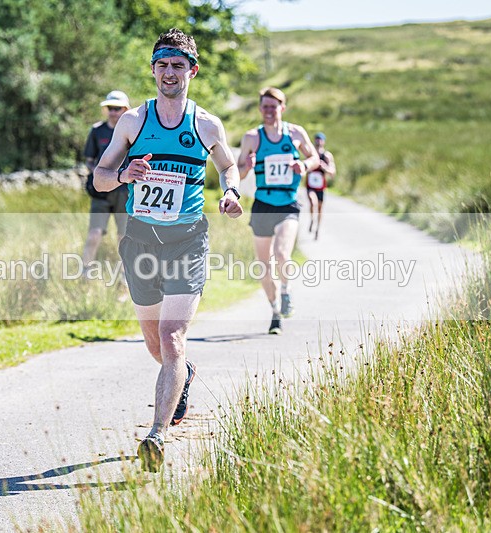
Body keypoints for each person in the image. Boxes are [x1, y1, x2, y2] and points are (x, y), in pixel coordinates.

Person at [94, 28, 243, 472]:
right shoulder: (133, 122)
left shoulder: (206, 123)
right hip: (140, 241)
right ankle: (184, 375)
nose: (169, 73)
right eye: (162, 65)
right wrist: (123, 174)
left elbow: (228, 164)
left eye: (178, 65)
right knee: (155, 345)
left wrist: (231, 192)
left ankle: (157, 434)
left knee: (172, 338)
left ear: (192, 71)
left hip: (187, 241)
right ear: (154, 70)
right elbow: (99, 178)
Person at [238, 87, 319, 335]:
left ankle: (286, 291)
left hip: (288, 204)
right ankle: (275, 311)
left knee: (282, 253)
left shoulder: (295, 133)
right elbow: (238, 174)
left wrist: (303, 165)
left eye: (274, 106)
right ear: (260, 108)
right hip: (262, 204)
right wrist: (247, 166)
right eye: (265, 106)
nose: (269, 111)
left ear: (282, 108)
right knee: (264, 266)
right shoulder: (252, 137)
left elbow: (315, 157)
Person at [81, 90, 131, 276]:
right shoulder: (97, 131)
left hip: (125, 191)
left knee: (123, 236)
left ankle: (126, 278)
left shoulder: (133, 131)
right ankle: (85, 273)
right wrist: (100, 175)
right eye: (110, 108)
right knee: (94, 234)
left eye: (117, 108)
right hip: (101, 192)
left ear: (125, 109)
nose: (113, 112)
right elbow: (89, 159)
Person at [305, 132, 336, 239]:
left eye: (320, 139)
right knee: (312, 202)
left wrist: (324, 167)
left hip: (320, 186)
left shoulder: (326, 156)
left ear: (323, 141)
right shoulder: (311, 154)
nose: (318, 141)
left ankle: (317, 228)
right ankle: (312, 219)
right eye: (316, 139)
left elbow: (332, 172)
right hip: (310, 185)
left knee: (320, 208)